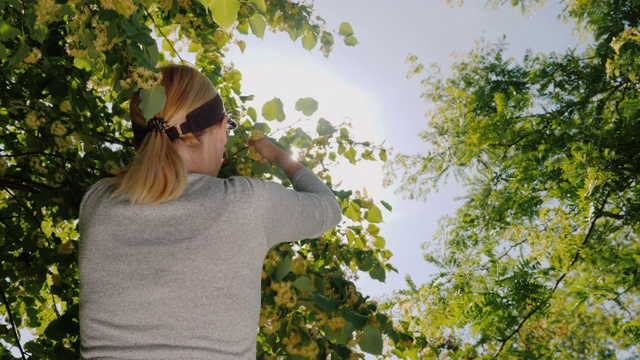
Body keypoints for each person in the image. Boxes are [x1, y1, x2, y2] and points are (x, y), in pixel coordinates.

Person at [78, 64, 342, 359]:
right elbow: (328, 208)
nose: (226, 142)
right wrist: (280, 156)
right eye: (228, 127)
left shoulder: (99, 201)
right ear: (218, 128)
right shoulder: (245, 204)